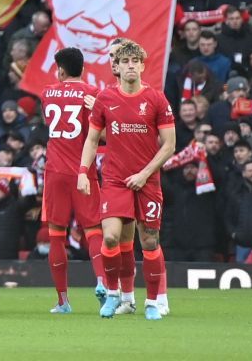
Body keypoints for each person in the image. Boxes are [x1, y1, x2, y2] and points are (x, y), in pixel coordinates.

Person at [78, 40, 177, 320]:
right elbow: (92, 138)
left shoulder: (157, 99)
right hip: (115, 180)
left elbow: (169, 145)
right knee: (110, 238)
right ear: (117, 68)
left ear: (143, 66)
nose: (131, 65)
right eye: (125, 62)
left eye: (136, 61)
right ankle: (113, 295)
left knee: (148, 241)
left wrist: (144, 174)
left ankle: (153, 302)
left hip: (148, 182)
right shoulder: (105, 100)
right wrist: (83, 172)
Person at [36, 46, 108, 312]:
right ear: (83, 69)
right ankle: (102, 281)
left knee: (56, 235)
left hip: (55, 171)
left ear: (61, 70)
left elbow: (49, 122)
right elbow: (103, 135)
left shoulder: (47, 93)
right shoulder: (94, 94)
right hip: (83, 170)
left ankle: (63, 300)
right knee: (93, 231)